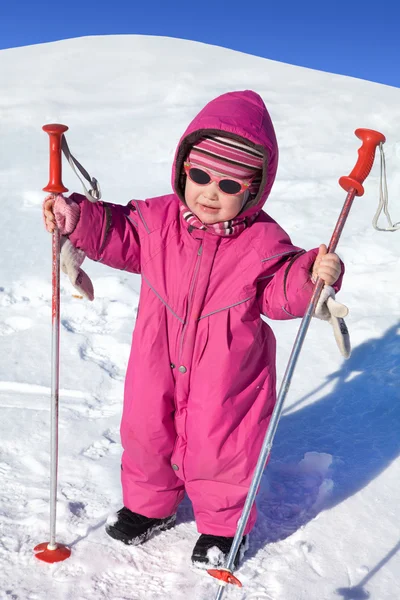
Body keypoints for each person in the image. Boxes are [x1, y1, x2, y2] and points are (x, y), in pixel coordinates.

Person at [43, 90, 343, 569]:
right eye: (200, 176)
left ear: (253, 190)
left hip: (226, 370)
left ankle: (225, 526)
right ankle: (149, 506)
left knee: (220, 446)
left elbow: (277, 291)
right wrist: (78, 219)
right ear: (184, 169)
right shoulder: (158, 219)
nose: (209, 192)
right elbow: (119, 233)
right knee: (146, 430)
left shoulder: (262, 240)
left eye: (228, 185)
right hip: (156, 354)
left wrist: (310, 279)